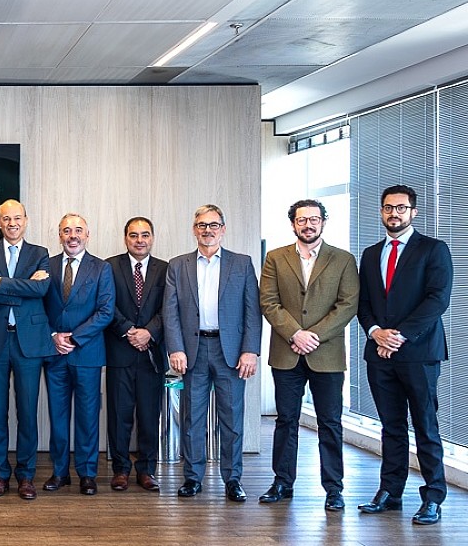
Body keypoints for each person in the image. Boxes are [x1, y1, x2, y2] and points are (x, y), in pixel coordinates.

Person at [356, 185, 452, 525]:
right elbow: (364, 303)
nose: (393, 213)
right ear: (381, 211)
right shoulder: (370, 254)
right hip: (379, 355)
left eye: (400, 208)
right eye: (388, 208)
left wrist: (398, 336)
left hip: (419, 353)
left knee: (425, 425)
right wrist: (375, 332)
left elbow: (437, 300)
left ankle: (433, 498)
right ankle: (390, 492)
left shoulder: (433, 249)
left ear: (413, 212)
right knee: (391, 426)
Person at [259, 200, 358, 511]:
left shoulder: (343, 259)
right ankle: (282, 482)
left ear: (323, 222)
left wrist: (313, 335)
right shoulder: (275, 258)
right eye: (302, 220)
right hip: (286, 352)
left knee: (330, 423)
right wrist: (295, 334)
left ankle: (334, 488)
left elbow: (348, 305)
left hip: (326, 354)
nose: (308, 225)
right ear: (293, 224)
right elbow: (269, 302)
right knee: (286, 420)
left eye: (314, 219)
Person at [164, 204, 261, 502]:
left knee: (231, 418)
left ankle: (233, 479)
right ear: (194, 230)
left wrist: (250, 350)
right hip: (193, 350)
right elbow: (170, 312)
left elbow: (252, 311)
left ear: (223, 229)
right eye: (202, 225)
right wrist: (175, 348)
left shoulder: (242, 263)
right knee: (192, 418)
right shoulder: (177, 265)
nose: (208, 230)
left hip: (229, 352)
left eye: (214, 225)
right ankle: (192, 478)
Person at [0, 199, 52, 500]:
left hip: (27, 342)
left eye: (17, 218)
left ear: (26, 220)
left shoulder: (39, 253)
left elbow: (41, 289)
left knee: (28, 412)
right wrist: (23, 286)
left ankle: (26, 475)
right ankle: (0, 474)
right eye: (6, 219)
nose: (12, 223)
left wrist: (3, 283)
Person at [42, 213, 114, 495]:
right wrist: (53, 336)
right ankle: (60, 472)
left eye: (78, 230)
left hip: (87, 354)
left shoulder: (102, 268)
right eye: (67, 230)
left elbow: (106, 311)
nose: (72, 236)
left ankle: (87, 473)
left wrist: (74, 337)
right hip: (55, 354)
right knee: (58, 417)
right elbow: (36, 308)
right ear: (59, 235)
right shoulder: (46, 266)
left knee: (87, 417)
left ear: (87, 234)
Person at [104, 217, 168, 492]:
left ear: (152, 238)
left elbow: (169, 307)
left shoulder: (166, 269)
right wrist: (129, 331)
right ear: (125, 238)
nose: (139, 240)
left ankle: (146, 470)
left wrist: (148, 332)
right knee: (119, 415)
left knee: (149, 416)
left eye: (145, 235)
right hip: (120, 351)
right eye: (133, 235)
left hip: (151, 355)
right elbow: (106, 304)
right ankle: (120, 470)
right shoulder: (109, 266)